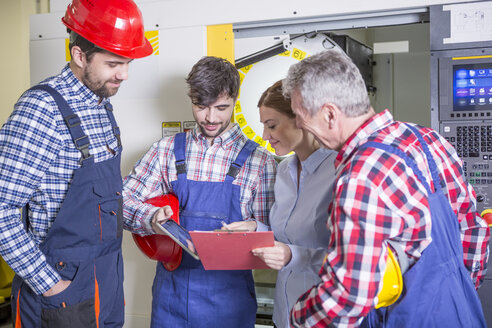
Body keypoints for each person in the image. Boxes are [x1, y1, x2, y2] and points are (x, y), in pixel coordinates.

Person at [282, 49, 490, 327]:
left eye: (299, 115)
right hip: (462, 313)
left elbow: (348, 296)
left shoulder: (361, 176)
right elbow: (473, 230)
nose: (298, 124)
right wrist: (453, 296)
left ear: (330, 114)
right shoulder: (428, 139)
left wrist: (297, 317)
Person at [0, 0, 153, 326]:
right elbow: (1, 210)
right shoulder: (41, 110)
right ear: (79, 55)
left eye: (127, 62)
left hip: (107, 279)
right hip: (60, 290)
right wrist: (51, 286)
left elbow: (107, 199)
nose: (123, 74)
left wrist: (149, 217)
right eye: (113, 63)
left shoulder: (101, 105)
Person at [123, 56, 277, 327]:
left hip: (231, 303)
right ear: (191, 99)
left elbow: (276, 234)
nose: (210, 118)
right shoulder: (166, 151)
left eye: (221, 107)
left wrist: (254, 227)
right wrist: (151, 216)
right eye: (200, 106)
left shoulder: (260, 162)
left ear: (235, 100)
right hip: (171, 300)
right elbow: (122, 201)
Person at [248, 80, 337, 328]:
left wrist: (294, 256)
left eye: (272, 126)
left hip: (323, 317)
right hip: (285, 316)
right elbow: (285, 238)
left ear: (301, 119)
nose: (265, 136)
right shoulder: (285, 170)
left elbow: (356, 258)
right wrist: (254, 229)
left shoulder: (340, 170)